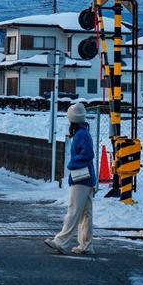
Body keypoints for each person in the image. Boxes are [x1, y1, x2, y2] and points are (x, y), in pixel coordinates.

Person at [45, 102, 96, 255]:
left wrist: (72, 163)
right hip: (87, 178)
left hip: (81, 177)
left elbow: (88, 154)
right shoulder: (84, 133)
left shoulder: (81, 135)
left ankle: (60, 242)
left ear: (72, 120)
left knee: (73, 211)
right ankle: (86, 245)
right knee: (85, 213)